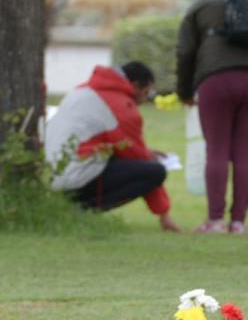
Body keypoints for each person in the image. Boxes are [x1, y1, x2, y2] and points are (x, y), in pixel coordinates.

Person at [176, 0, 248, 234]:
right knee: (245, 152)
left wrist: (184, 91)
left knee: (217, 150)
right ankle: (239, 222)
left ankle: (215, 221)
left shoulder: (200, 8)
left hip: (216, 78)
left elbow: (185, 51)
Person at [44, 62, 181, 232]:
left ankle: (65, 206)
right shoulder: (121, 105)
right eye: (146, 93)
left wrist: (146, 152)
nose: (145, 100)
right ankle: (81, 208)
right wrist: (163, 212)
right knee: (154, 171)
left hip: (52, 174)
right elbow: (136, 156)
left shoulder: (83, 90)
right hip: (75, 176)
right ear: (135, 86)